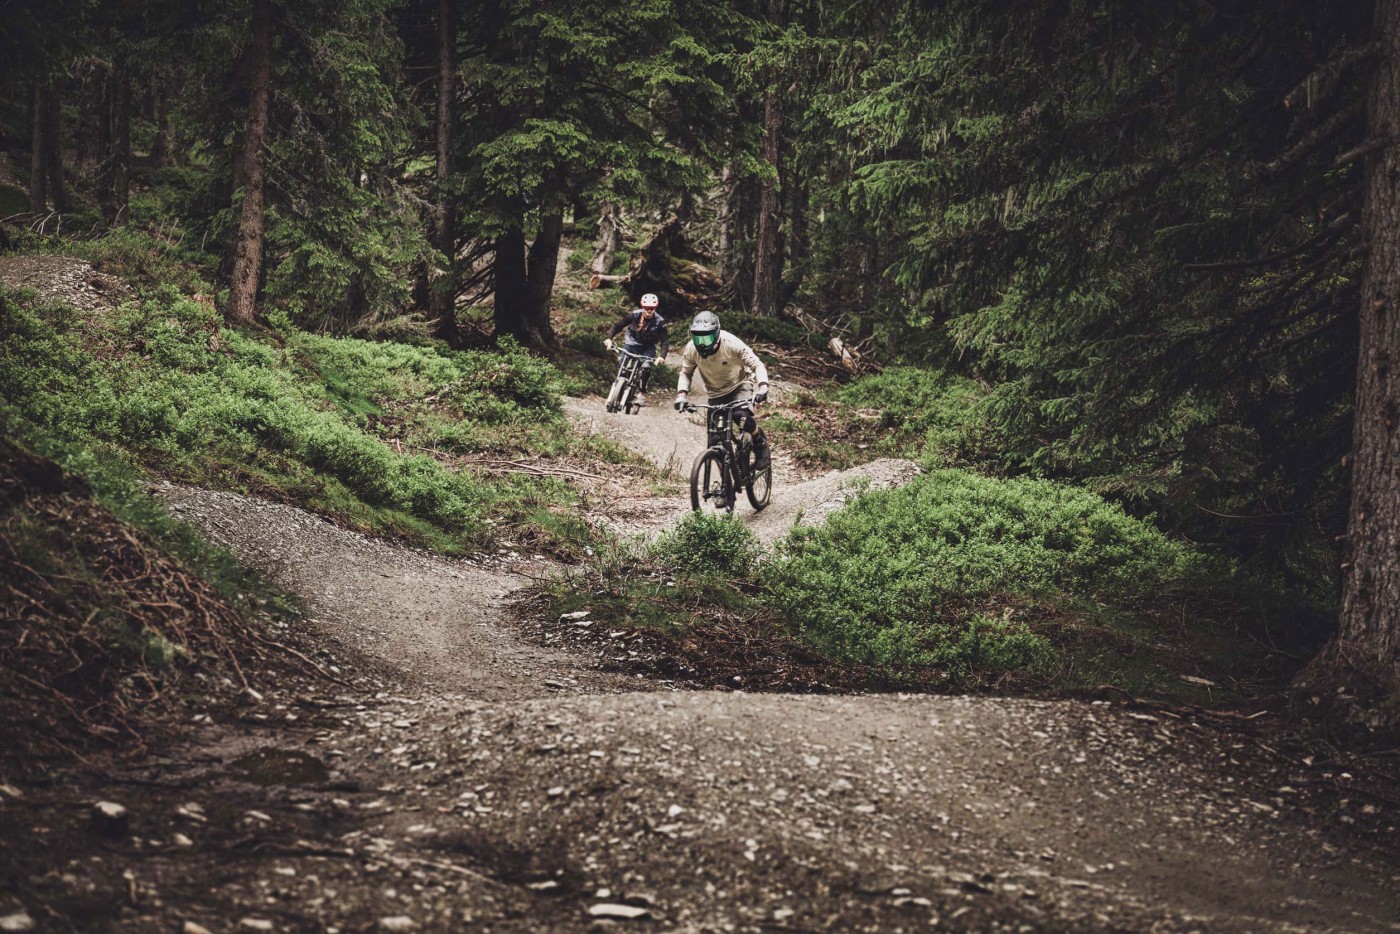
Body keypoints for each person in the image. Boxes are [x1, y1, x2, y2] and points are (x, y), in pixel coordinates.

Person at [673, 311, 771, 472]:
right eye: (697, 338)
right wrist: (681, 395)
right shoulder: (691, 349)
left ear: (717, 335)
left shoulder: (731, 343)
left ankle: (759, 442)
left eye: (707, 338)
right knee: (715, 440)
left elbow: (757, 364)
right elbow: (685, 372)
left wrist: (763, 387)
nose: (702, 344)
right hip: (715, 393)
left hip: (739, 385)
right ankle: (727, 479)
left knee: (741, 416)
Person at [604, 293, 669, 401]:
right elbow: (617, 326)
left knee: (646, 368)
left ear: (655, 307)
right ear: (642, 306)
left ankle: (641, 393)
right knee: (623, 365)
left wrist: (662, 356)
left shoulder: (660, 322)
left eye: (652, 308)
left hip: (648, 347)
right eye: (646, 308)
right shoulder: (634, 315)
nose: (649, 310)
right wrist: (609, 339)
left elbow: (665, 341)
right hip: (631, 343)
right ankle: (619, 386)